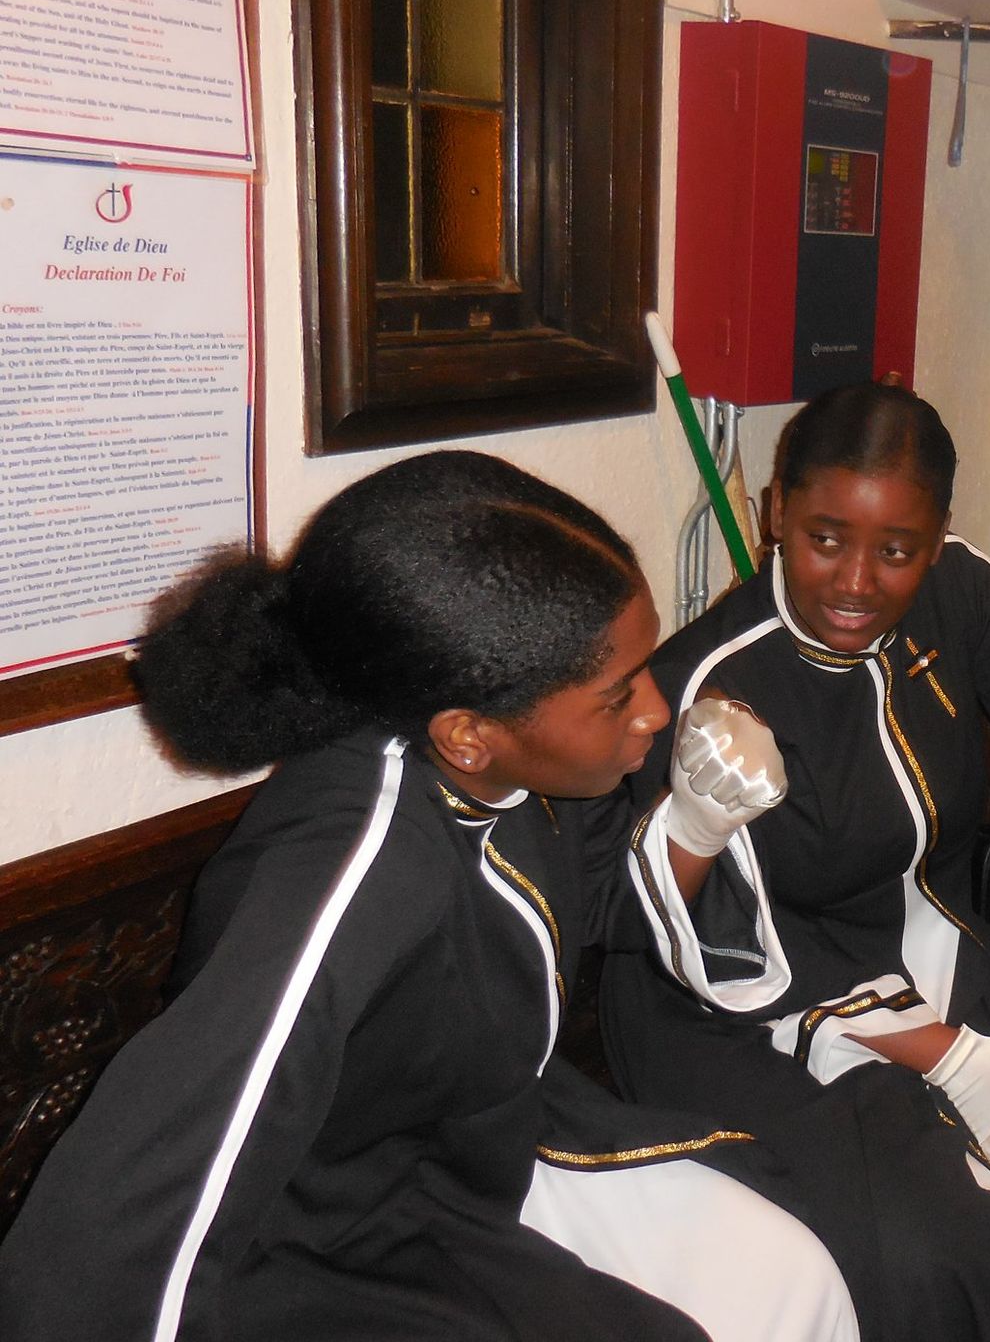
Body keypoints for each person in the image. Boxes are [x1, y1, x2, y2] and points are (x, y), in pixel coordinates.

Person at [0, 451, 856, 1342]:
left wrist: (696, 826)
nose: (653, 709)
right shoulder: (343, 876)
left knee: (801, 1279)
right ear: (469, 735)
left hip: (476, 1144)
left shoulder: (506, 769)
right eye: (616, 696)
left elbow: (594, 902)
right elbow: (136, 1210)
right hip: (335, 1235)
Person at [597, 381, 990, 1342]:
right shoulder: (709, 686)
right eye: (824, 538)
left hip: (917, 942)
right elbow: (712, 935)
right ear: (775, 514)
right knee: (931, 1246)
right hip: (731, 1003)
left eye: (897, 551)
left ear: (939, 536)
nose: (855, 584)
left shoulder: (964, 594)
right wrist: (951, 1057)